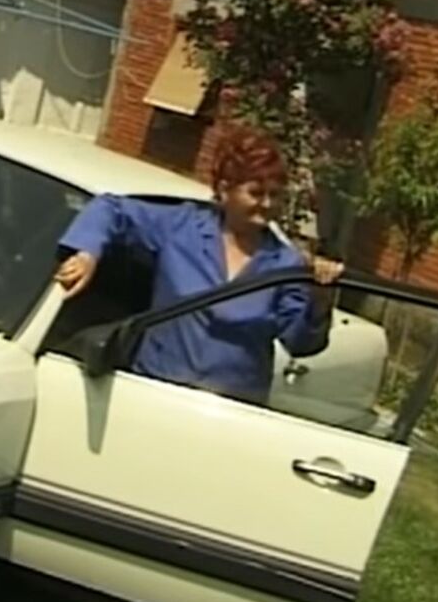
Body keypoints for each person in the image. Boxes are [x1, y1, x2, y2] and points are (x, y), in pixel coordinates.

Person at [54, 125, 344, 405]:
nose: (268, 204)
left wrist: (320, 298)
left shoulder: (286, 263)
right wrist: (87, 253)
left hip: (229, 413)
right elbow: (111, 208)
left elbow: (301, 344)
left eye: (276, 195)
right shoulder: (181, 227)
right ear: (225, 189)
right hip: (150, 394)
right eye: (256, 193)